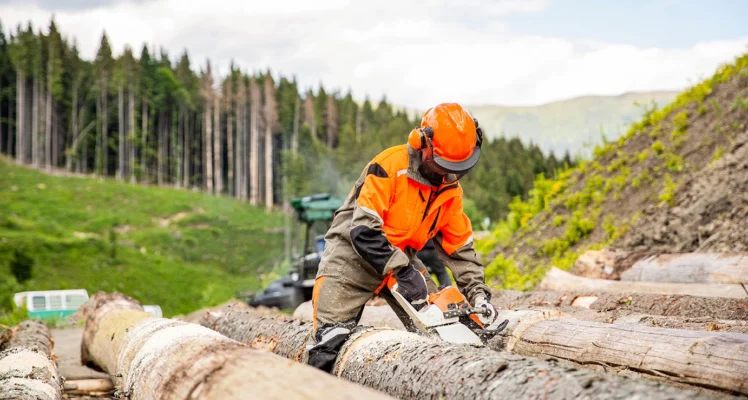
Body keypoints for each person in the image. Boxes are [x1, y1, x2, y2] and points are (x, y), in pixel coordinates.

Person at [306, 103, 498, 372]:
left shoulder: (450, 190)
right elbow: (364, 231)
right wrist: (404, 271)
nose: (448, 174)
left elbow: (460, 249)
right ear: (422, 144)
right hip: (351, 257)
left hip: (402, 258)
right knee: (327, 346)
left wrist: (478, 295)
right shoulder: (389, 166)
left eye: (457, 167)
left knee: (446, 327)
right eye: (443, 165)